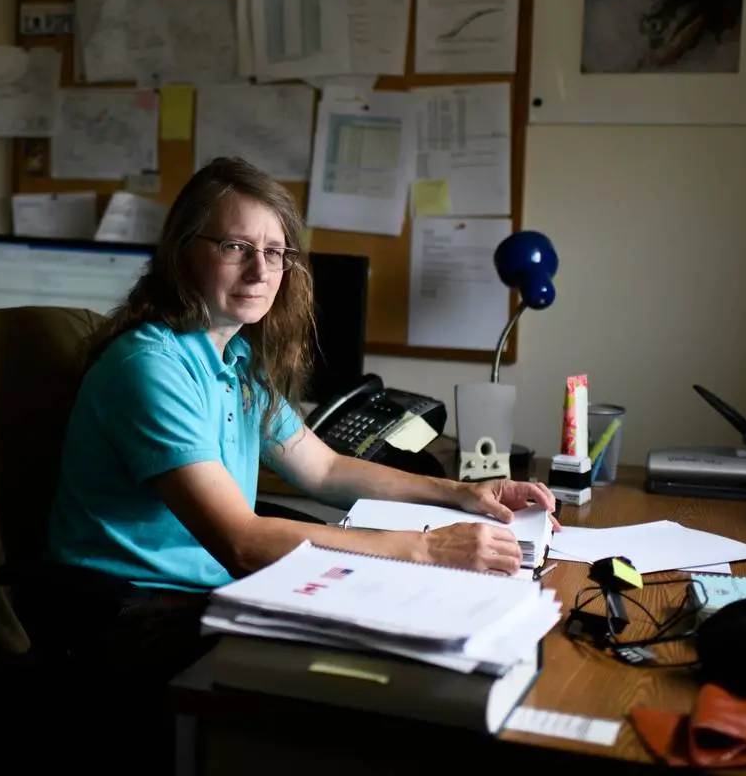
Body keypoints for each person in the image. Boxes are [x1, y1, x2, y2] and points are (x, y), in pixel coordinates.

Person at [32, 156, 557, 763]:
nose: (261, 269)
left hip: (205, 593)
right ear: (183, 253)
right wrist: (428, 549)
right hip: (130, 613)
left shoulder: (235, 359)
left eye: (276, 252)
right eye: (236, 246)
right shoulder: (150, 366)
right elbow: (242, 541)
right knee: (374, 692)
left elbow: (325, 469)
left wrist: (463, 495)